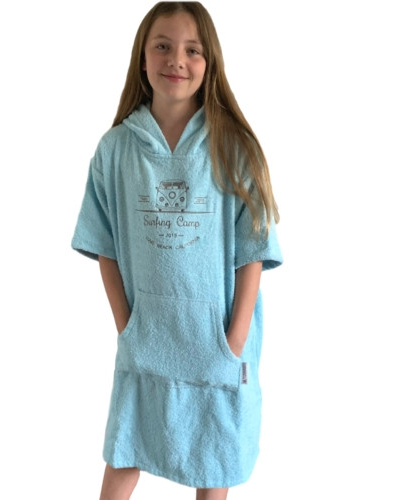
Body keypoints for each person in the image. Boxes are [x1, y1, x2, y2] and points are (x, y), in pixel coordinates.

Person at [71, 2, 283, 498]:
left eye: (192, 50)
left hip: (215, 340)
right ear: (142, 58)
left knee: (215, 460)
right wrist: (126, 324)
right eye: (162, 46)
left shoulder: (233, 147)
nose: (177, 60)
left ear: (210, 63)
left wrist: (233, 341)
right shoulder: (116, 150)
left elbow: (253, 250)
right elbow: (103, 243)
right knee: (126, 447)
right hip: (148, 334)